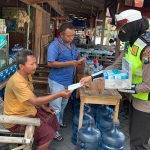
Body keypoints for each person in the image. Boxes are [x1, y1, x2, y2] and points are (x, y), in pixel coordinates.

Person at [80, 9, 150, 150]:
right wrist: (92, 77)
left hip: (145, 101)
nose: (119, 32)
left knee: (138, 142)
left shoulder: (146, 50)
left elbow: (148, 85)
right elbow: (115, 65)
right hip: (135, 97)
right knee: (133, 136)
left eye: (122, 28)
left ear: (132, 26)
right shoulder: (130, 44)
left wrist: (119, 85)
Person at [4, 49, 72, 150]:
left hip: (28, 111)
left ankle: (43, 144)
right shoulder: (17, 82)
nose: (35, 66)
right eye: (32, 64)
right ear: (21, 66)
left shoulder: (27, 75)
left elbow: (32, 96)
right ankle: (42, 144)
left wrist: (44, 108)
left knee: (51, 115)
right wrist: (59, 94)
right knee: (48, 134)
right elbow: (35, 101)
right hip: (16, 120)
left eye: (35, 63)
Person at [47, 22, 85, 141]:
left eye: (73, 35)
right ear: (61, 35)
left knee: (63, 103)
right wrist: (69, 63)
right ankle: (53, 131)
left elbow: (76, 54)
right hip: (57, 80)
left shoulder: (72, 44)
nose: (71, 38)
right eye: (69, 36)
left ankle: (59, 122)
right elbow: (50, 63)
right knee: (55, 106)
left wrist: (79, 58)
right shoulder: (54, 45)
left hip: (69, 80)